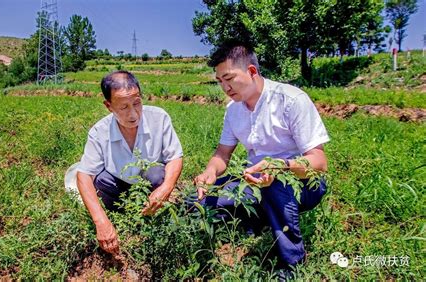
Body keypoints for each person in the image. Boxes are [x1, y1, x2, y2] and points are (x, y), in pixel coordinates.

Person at [193, 43, 330, 270]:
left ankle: (291, 263)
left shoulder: (291, 100)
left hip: (301, 183)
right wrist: (210, 171)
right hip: (255, 181)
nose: (225, 87)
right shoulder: (233, 110)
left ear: (252, 71)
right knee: (197, 199)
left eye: (229, 78)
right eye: (220, 82)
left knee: (276, 186)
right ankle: (256, 219)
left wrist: (279, 167)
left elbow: (319, 162)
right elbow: (222, 154)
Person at [76, 70, 183, 255]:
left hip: (150, 185)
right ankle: (118, 218)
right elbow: (84, 175)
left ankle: (153, 216)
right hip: (117, 187)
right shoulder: (99, 132)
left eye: (137, 103)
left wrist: (166, 188)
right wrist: (100, 221)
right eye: (123, 107)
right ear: (108, 106)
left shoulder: (159, 118)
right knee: (101, 180)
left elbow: (175, 156)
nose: (133, 113)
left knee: (157, 173)